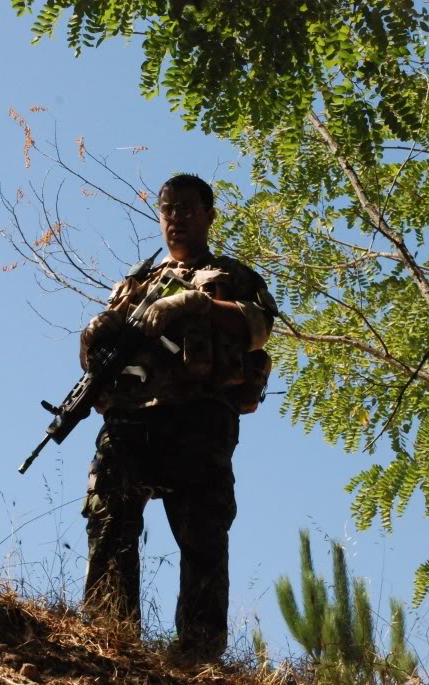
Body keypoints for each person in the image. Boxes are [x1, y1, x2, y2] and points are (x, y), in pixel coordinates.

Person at [78, 173, 277, 663]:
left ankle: (197, 656)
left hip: (199, 419)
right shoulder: (133, 284)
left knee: (203, 534)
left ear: (209, 215)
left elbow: (259, 327)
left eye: (188, 208)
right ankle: (110, 642)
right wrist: (91, 336)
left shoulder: (232, 275)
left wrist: (195, 302)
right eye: (168, 209)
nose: (177, 218)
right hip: (130, 420)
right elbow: (98, 364)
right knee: (108, 520)